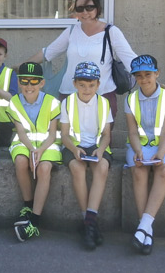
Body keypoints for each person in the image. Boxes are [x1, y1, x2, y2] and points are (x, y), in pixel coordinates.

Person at [26, 0, 136, 118]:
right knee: (68, 136)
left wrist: (150, 77)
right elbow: (48, 52)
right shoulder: (72, 31)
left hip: (102, 95)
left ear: (97, 8)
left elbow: (130, 59)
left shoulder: (111, 32)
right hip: (70, 94)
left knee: (101, 136)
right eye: (80, 8)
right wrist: (21, 66)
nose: (85, 12)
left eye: (89, 7)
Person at [125, 55, 165, 255]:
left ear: (157, 74)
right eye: (139, 76)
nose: (144, 79)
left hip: (162, 146)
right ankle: (145, 230)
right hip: (138, 145)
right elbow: (131, 132)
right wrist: (138, 150)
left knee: (164, 171)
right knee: (138, 171)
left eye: (148, 74)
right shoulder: (130, 99)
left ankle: (144, 226)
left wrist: (160, 154)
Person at [6, 62, 62, 242]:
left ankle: (34, 222)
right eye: (24, 81)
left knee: (44, 168)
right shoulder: (14, 101)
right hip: (25, 143)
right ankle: (27, 207)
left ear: (42, 83)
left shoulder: (52, 102)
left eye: (33, 82)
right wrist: (31, 150)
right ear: (19, 82)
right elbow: (20, 132)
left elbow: (53, 134)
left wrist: (40, 150)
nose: (29, 86)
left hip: (47, 144)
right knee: (21, 162)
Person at [60, 61, 112, 250]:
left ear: (98, 84)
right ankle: (89, 220)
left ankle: (89, 222)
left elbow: (107, 134)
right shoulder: (67, 102)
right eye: (82, 85)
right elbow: (64, 135)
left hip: (97, 147)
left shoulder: (104, 103)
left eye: (91, 85)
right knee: (77, 167)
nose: (86, 89)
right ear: (74, 84)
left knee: (102, 167)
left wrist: (100, 150)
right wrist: (74, 150)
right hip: (74, 146)